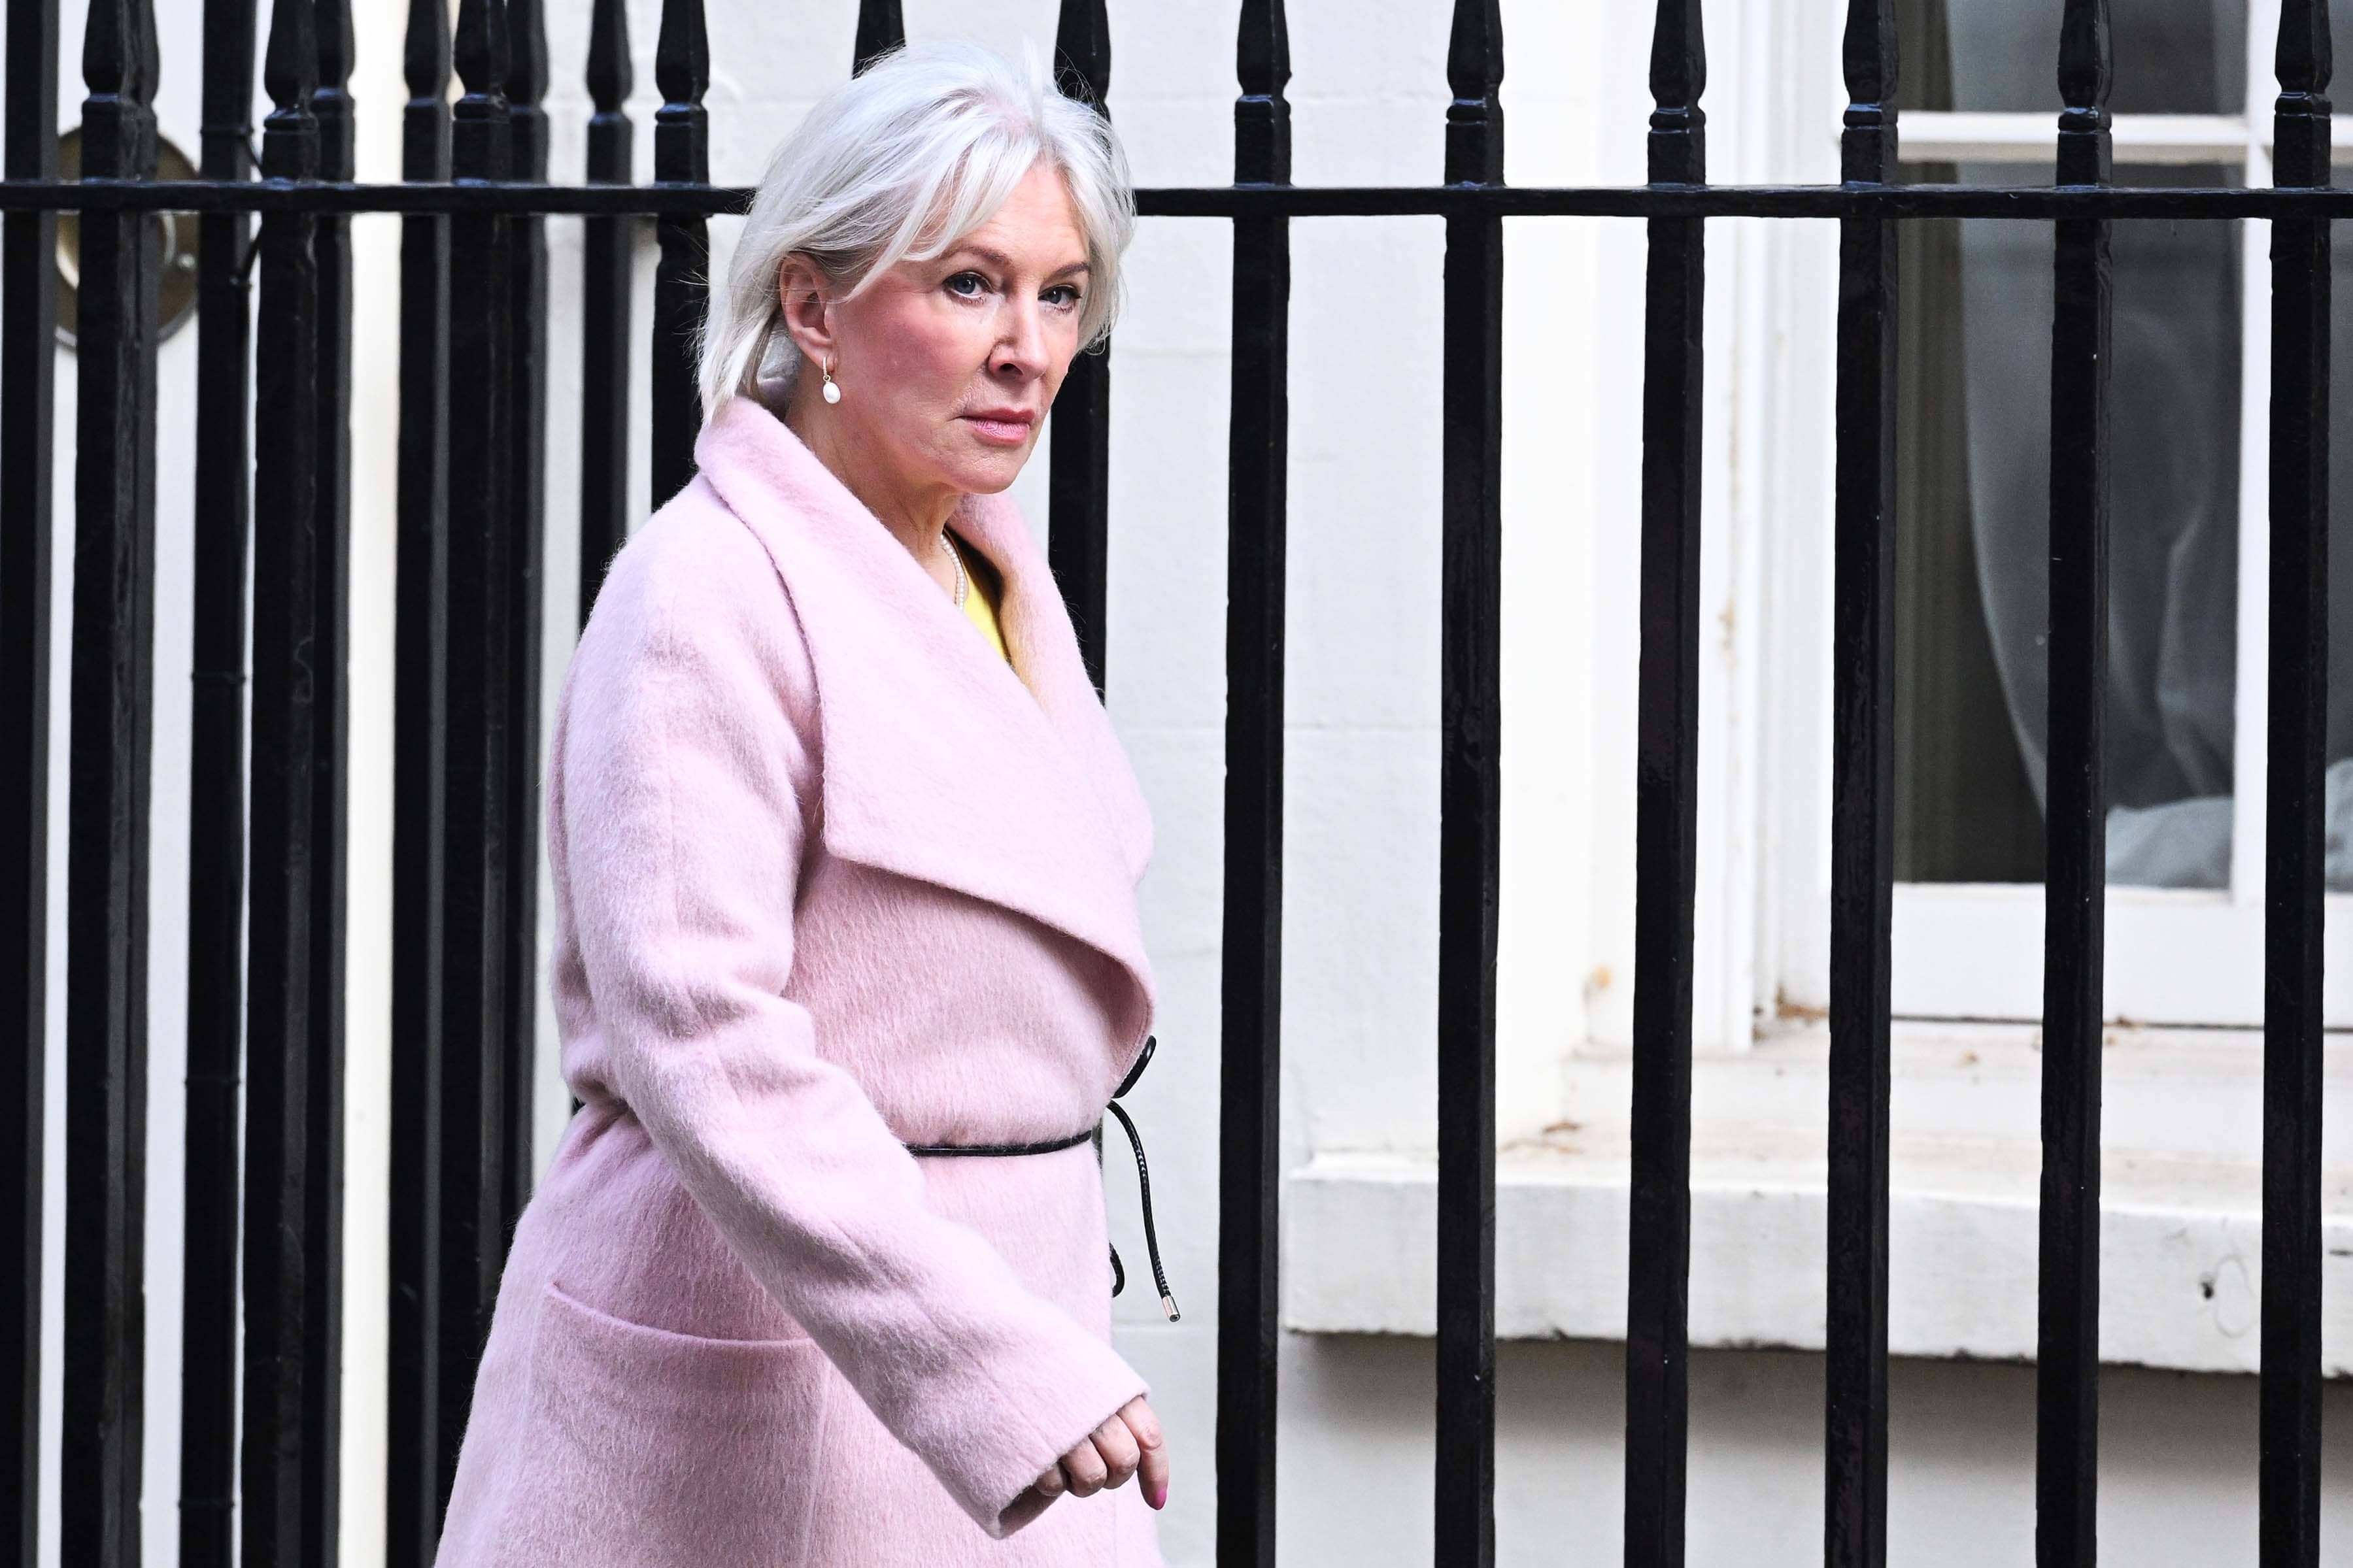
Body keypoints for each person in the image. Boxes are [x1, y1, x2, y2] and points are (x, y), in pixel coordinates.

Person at [433, 40, 1173, 1566]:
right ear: (814, 306)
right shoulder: (704, 592)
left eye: (1059, 294)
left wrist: (1022, 1350)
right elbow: (704, 1032)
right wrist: (981, 1357)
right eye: (969, 284)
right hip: (783, 1355)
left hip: (1022, 1328)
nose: (1029, 349)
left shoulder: (990, 578)